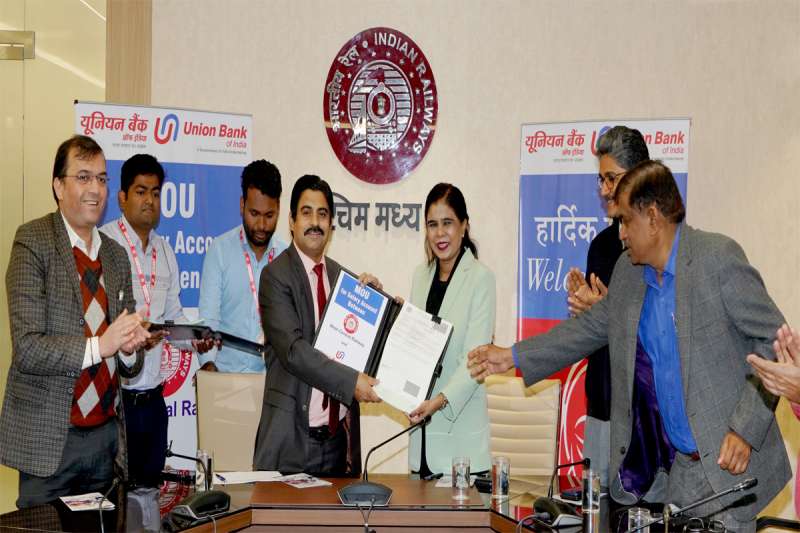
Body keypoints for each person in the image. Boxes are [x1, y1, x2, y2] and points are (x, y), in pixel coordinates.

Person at [468, 160, 789, 532]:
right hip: (678, 471)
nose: (620, 233)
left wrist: (745, 429)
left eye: (625, 221)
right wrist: (511, 356)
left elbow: (775, 342)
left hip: (728, 467)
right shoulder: (629, 272)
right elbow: (588, 328)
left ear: (652, 217)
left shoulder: (716, 259)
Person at [0, 135, 149, 508]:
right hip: (50, 440)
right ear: (58, 186)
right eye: (83, 177)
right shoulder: (32, 242)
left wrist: (130, 348)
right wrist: (103, 345)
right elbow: (28, 349)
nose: (95, 189)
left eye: (101, 178)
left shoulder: (116, 255)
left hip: (105, 443)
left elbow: (129, 364)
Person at [253, 174, 382, 476]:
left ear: (331, 224)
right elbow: (295, 352)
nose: (315, 222)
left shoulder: (344, 281)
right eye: (306, 213)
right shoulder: (275, 276)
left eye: (322, 214)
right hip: (292, 443)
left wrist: (381, 309)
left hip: (337, 443)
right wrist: (351, 382)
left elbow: (361, 350)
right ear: (292, 221)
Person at [101, 153, 210, 488]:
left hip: (154, 401)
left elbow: (173, 316)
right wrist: (133, 336)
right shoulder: (104, 244)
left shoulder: (165, 251)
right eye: (140, 191)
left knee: (149, 492)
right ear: (122, 198)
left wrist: (196, 339)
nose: (149, 200)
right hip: (116, 403)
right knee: (115, 496)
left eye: (156, 192)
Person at [564, 125, 650, 489]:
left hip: (642, 414)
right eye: (600, 179)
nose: (603, 190)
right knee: (595, 510)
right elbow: (595, 333)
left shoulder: (657, 245)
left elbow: (658, 330)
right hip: (600, 404)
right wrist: (586, 312)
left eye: (611, 178)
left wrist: (607, 311)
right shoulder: (600, 246)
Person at [405, 183, 495, 476]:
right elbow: (412, 347)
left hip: (462, 448)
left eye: (448, 223)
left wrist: (438, 402)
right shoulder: (420, 276)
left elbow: (474, 363)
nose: (440, 233)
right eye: (432, 224)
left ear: (464, 226)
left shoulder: (481, 279)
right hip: (421, 445)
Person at [198, 159, 288, 373]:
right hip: (225, 376)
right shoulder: (219, 251)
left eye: (269, 215)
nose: (261, 226)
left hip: (271, 382)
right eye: (254, 214)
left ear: (278, 209)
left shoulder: (286, 257)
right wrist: (208, 364)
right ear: (242, 205)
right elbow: (209, 319)